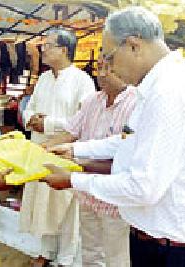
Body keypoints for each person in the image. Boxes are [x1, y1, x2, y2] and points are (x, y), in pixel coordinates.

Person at [43, 6, 185, 267]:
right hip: (157, 241)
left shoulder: (170, 92)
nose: (108, 68)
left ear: (134, 45)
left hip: (167, 249)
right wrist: (76, 150)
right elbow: (131, 139)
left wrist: (73, 179)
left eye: (110, 57)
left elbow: (143, 188)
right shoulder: (162, 84)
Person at [43, 53, 136, 266]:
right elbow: (70, 132)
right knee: (90, 251)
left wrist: (76, 161)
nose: (101, 75)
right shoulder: (92, 101)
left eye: (108, 70)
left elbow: (124, 155)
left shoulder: (135, 104)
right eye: (99, 69)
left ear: (123, 69)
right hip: (87, 192)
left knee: (117, 257)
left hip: (114, 197)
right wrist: (42, 149)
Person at [20, 28, 96, 266]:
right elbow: (28, 108)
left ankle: (65, 257)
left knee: (66, 206)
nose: (43, 49)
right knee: (43, 202)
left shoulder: (82, 81)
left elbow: (84, 122)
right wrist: (31, 119)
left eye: (48, 45)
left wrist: (48, 124)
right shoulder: (43, 78)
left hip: (65, 151)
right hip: (39, 149)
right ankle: (46, 251)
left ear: (64, 50)